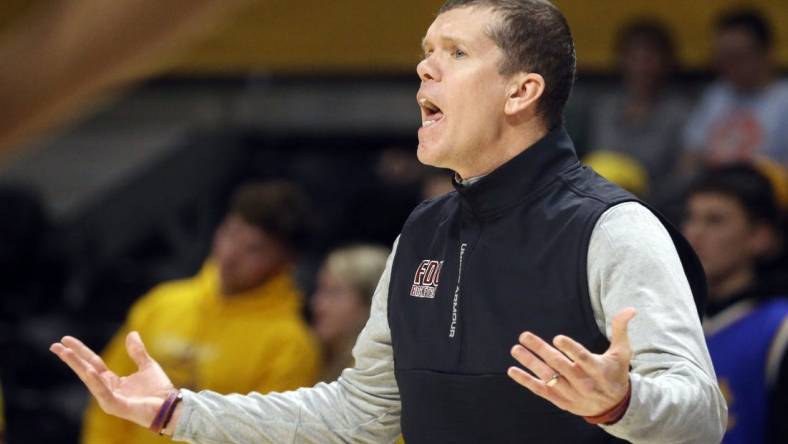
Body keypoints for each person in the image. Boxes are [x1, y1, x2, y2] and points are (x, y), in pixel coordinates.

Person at [51, 1, 727, 443]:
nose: (424, 67)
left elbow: (703, 414)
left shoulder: (615, 229)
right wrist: (180, 412)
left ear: (522, 91)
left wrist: (622, 402)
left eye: (455, 54)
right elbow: (361, 414)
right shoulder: (422, 233)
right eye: (426, 50)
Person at [80, 181, 321, 444]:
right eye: (229, 233)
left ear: (285, 262)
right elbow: (107, 400)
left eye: (253, 248)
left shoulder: (290, 346)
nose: (230, 254)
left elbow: (266, 437)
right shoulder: (161, 303)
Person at [682, 164, 788, 443]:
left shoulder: (779, 328)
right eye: (691, 218)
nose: (695, 234)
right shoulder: (672, 318)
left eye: (715, 220)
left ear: (759, 237)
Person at [682, 9, 788, 168]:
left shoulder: (783, 100)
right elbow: (690, 155)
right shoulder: (716, 94)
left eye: (737, 57)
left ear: (766, 53)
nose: (728, 66)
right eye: (722, 58)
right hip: (711, 185)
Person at [588, 20, 690, 185]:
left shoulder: (680, 112)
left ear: (667, 62)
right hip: (601, 196)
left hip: (658, 202)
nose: (642, 67)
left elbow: (683, 173)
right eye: (634, 57)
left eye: (650, 58)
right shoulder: (606, 106)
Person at [311, 245, 391, 382]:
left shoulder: (374, 377)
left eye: (333, 292)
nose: (318, 305)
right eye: (320, 290)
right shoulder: (323, 359)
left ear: (371, 303)